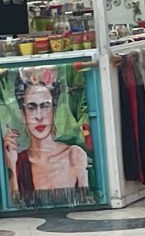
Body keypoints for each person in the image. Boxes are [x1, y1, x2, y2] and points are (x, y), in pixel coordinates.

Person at [3, 68, 87, 198]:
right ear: (23, 114)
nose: (39, 116)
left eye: (45, 106)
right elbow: (16, 205)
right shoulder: (18, 162)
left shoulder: (74, 155)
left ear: (54, 110)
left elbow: (86, 200)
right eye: (31, 108)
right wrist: (12, 167)